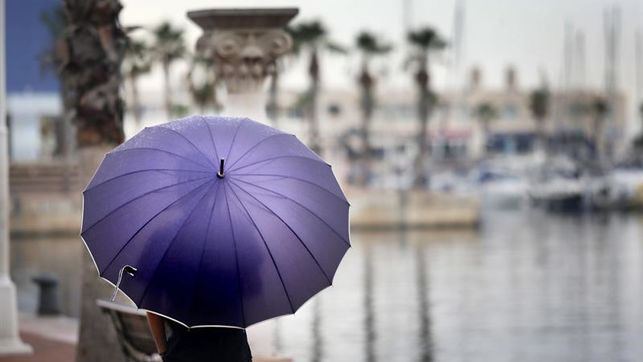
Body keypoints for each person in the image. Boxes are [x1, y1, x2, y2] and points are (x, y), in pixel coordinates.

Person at [146, 312, 252, 362]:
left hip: (183, 351)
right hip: (232, 351)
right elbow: (253, 291)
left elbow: (153, 310)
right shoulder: (239, 268)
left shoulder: (167, 268)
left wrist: (163, 351)